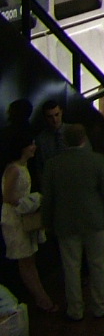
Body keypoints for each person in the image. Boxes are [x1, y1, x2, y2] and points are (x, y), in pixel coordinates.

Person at [43, 123, 104, 320]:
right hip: (95, 220)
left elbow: (48, 199)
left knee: (71, 267)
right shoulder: (97, 160)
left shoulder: (52, 164)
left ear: (64, 140)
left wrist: (47, 222)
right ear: (84, 139)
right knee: (98, 264)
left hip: (65, 223)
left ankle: (75, 310)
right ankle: (100, 305)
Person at [1, 127, 57, 312]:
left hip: (21, 218)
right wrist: (29, 202)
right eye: (31, 144)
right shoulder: (15, 170)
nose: (34, 147)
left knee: (28, 260)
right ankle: (42, 299)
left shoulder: (21, 168)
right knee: (26, 261)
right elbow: (7, 196)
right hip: (15, 221)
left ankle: (41, 298)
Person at [32, 99, 67, 185]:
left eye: (56, 115)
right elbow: (39, 168)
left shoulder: (74, 133)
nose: (54, 120)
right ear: (45, 117)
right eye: (50, 117)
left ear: (61, 112)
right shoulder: (40, 140)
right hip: (52, 184)